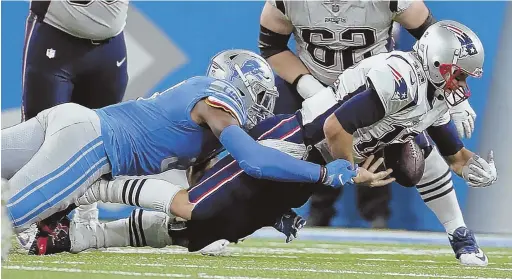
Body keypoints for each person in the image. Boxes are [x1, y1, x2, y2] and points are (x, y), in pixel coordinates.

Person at [1, 50, 380, 259]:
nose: (262, 110)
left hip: (79, 129)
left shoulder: (207, 120)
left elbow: (207, 187)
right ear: (243, 87)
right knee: (8, 220)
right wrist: (323, 175)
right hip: (90, 143)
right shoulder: (217, 105)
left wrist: (271, 211)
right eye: (261, 99)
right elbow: (255, 161)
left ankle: (84, 204)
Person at [258, 0, 481, 249]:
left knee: (415, 151)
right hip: (314, 80)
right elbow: (271, 46)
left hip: (378, 88)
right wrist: (307, 85)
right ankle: (263, 211)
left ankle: (451, 230)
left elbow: (438, 41)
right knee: (281, 146)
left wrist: (453, 87)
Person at [20, 0, 131, 245]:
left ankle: (87, 216)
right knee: (41, 135)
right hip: (55, 36)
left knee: (101, 136)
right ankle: (28, 218)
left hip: (109, 46)